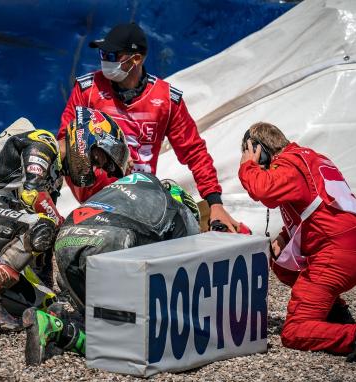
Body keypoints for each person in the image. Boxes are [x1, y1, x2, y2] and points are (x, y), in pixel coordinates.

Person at [0, 107, 130, 331]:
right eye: (96, 159)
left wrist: (48, 294)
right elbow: (31, 194)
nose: (94, 169)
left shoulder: (55, 179)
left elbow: (42, 248)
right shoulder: (43, 141)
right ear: (86, 138)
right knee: (47, 224)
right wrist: (64, 229)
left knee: (38, 302)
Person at [57, 22, 239, 232]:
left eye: (112, 56)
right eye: (102, 54)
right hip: (95, 201)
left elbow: (194, 152)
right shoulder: (87, 90)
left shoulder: (167, 100)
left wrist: (215, 203)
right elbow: (65, 141)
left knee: (208, 224)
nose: (104, 61)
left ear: (136, 59)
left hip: (140, 200)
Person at [237, 122, 356, 362]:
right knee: (283, 265)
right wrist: (285, 236)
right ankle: (336, 314)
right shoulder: (311, 158)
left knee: (294, 331)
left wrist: (247, 166)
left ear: (259, 149)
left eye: (249, 150)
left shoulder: (289, 164)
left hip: (336, 253)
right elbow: (317, 207)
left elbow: (263, 191)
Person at [23, 172, 201, 365]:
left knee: (103, 322)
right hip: (112, 239)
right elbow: (183, 267)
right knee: (135, 342)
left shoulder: (136, 189)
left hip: (67, 237)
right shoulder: (177, 208)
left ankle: (59, 321)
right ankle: (65, 332)